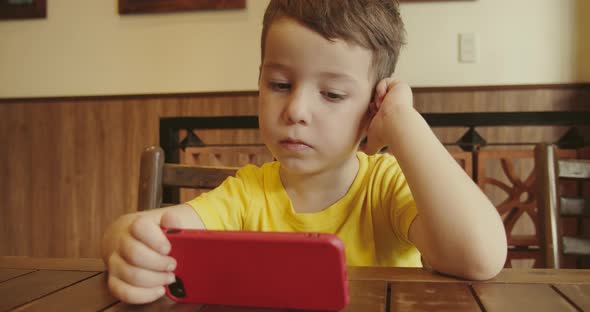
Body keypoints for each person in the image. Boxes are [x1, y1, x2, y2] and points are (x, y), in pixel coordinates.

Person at [101, 0, 507, 304]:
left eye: (331, 93)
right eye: (279, 84)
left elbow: (480, 258)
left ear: (373, 108)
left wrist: (404, 123)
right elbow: (146, 228)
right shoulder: (246, 193)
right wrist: (124, 240)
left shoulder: (383, 188)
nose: (295, 111)